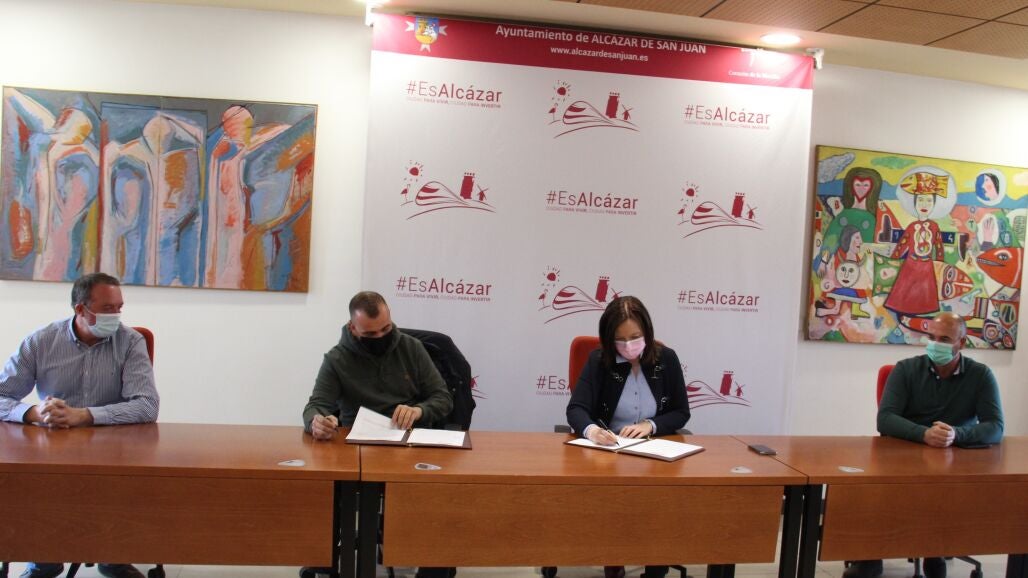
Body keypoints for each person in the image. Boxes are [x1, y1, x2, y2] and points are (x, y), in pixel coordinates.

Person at [0, 272, 160, 578]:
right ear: (80, 309)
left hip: (114, 450)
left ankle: (113, 558)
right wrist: (34, 412)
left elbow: (147, 405)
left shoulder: (130, 342)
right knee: (27, 484)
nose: (116, 316)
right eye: (108, 308)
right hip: (53, 448)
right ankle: (43, 560)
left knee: (122, 488)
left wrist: (84, 415)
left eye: (119, 308)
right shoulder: (41, 341)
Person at [302, 291, 453, 578]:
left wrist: (418, 410)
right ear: (353, 328)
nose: (382, 337)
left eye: (386, 328)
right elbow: (316, 405)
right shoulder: (337, 359)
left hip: (407, 443)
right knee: (321, 489)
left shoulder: (412, 348)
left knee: (438, 495)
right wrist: (317, 421)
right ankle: (326, 562)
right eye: (371, 334)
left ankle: (432, 568)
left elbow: (442, 398)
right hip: (357, 446)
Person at [844, 312, 1004, 578]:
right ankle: (872, 555)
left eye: (944, 339)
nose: (935, 344)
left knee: (946, 497)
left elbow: (995, 427)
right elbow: (885, 418)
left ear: (962, 343)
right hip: (902, 460)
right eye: (931, 337)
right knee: (871, 492)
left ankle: (935, 548)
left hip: (952, 464)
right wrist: (924, 434)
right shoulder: (905, 369)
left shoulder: (980, 375)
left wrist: (956, 434)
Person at [566, 296, 691, 578]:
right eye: (620, 339)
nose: (629, 345)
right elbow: (576, 409)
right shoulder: (599, 360)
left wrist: (652, 425)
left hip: (654, 452)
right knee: (617, 502)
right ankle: (615, 561)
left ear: (647, 332)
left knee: (661, 504)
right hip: (611, 454)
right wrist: (593, 431)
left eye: (635, 337)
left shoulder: (666, 359)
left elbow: (681, 412)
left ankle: (655, 567)